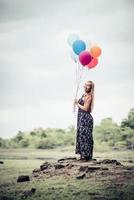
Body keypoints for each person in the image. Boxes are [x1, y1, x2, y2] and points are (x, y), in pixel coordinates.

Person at [73, 80, 95, 161]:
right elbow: (80, 106)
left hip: (85, 118)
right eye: (85, 85)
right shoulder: (84, 95)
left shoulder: (89, 96)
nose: (86, 86)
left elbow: (85, 108)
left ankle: (86, 156)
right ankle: (83, 154)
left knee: (85, 137)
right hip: (81, 118)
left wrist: (77, 104)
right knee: (81, 135)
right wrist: (76, 103)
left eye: (88, 85)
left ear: (91, 88)